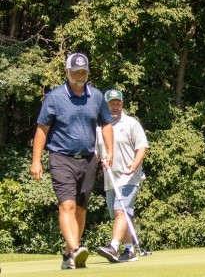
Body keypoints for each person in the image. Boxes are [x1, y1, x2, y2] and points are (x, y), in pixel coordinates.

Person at [30, 52, 114, 270]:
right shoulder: (55, 97)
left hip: (88, 159)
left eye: (83, 71)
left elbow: (106, 124)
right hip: (61, 157)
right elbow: (42, 129)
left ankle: (69, 255)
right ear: (67, 72)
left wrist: (110, 151)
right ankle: (76, 250)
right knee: (66, 204)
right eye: (76, 71)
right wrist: (36, 160)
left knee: (80, 209)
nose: (80, 75)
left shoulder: (96, 96)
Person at [96, 89, 148, 263]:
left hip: (129, 177)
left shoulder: (131, 123)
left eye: (118, 103)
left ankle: (113, 247)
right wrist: (100, 159)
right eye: (111, 103)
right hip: (110, 179)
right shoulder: (100, 128)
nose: (115, 106)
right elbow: (97, 151)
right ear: (105, 105)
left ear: (122, 104)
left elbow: (142, 147)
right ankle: (129, 250)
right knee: (121, 214)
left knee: (120, 211)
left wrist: (134, 166)